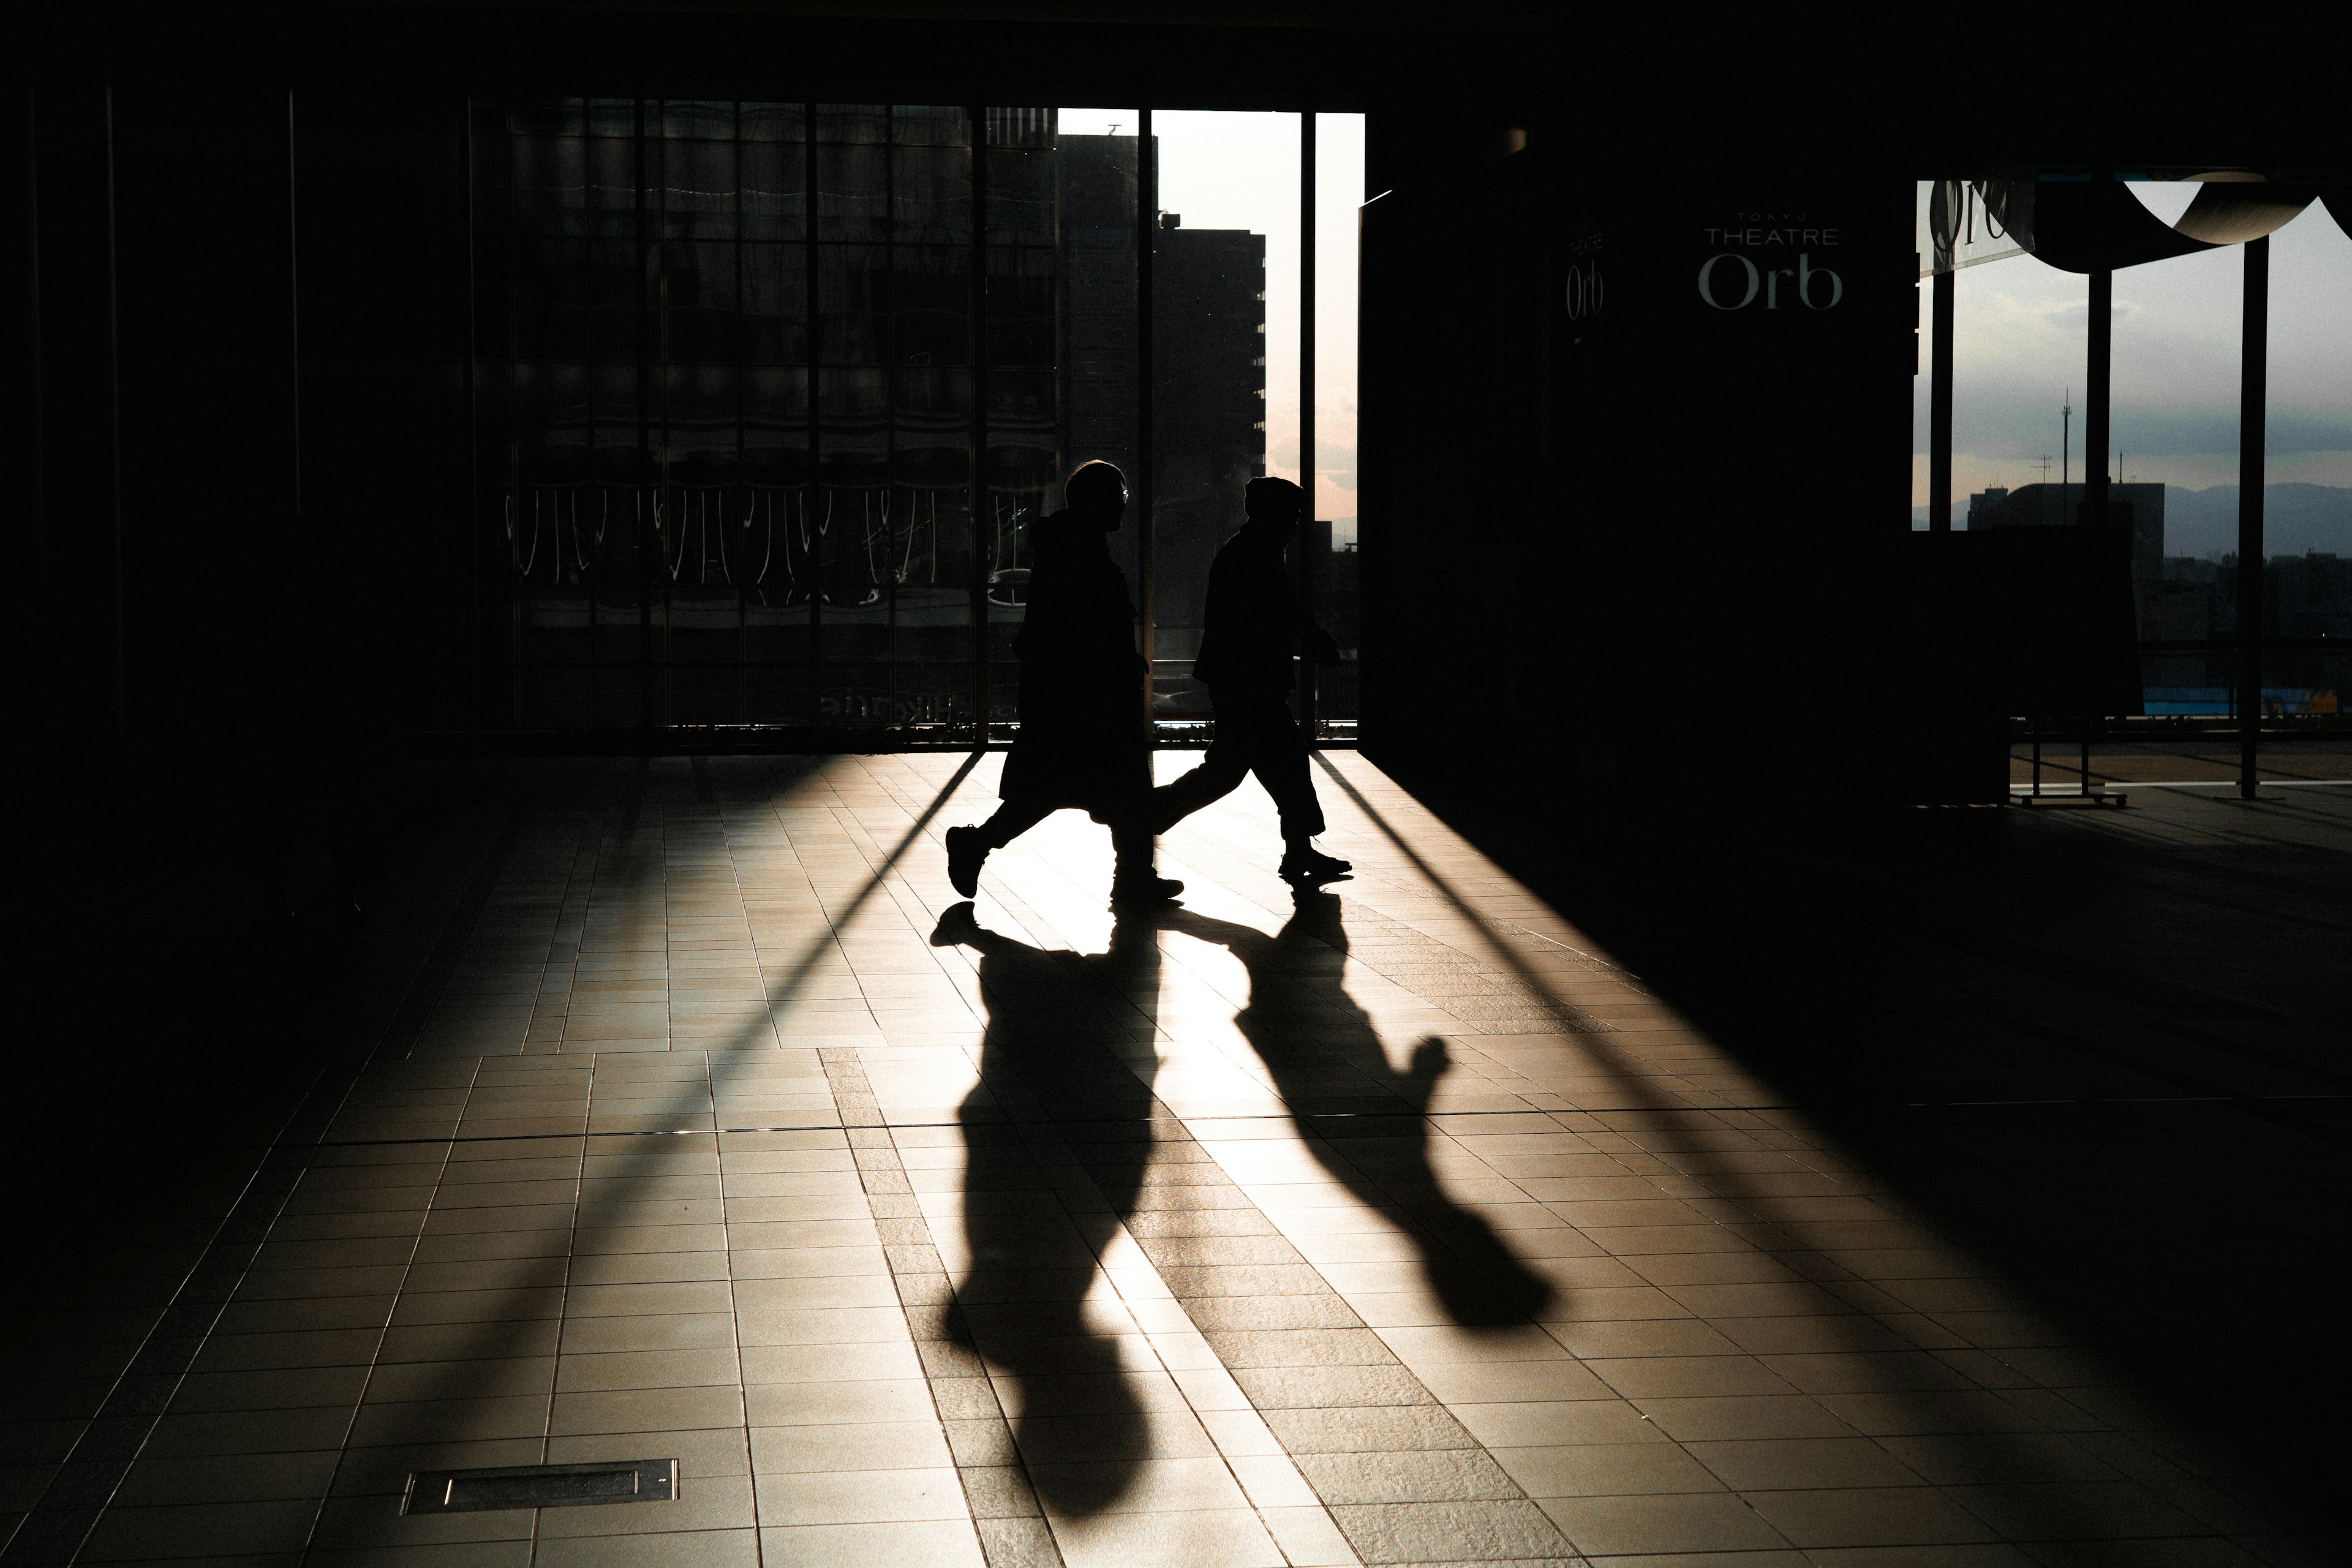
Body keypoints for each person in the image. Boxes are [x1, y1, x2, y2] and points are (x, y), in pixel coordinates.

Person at [944, 461, 1181, 903]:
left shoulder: (1065, 550)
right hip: (1090, 698)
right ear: (1100, 503)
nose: (1122, 511)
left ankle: (978, 844)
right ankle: (1133, 876)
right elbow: (1089, 626)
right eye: (1118, 501)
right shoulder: (1084, 555)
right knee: (1117, 788)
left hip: (1066, 696)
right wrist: (1118, 662)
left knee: (1053, 788)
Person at [1152, 476, 1351, 886]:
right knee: (1277, 765)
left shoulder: (1244, 552)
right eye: (1292, 515)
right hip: (1251, 683)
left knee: (1236, 769)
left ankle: (1151, 815)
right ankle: (1149, 814)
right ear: (1272, 515)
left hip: (1239, 681)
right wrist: (1318, 641)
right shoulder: (1255, 556)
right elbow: (1286, 610)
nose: (1296, 524)